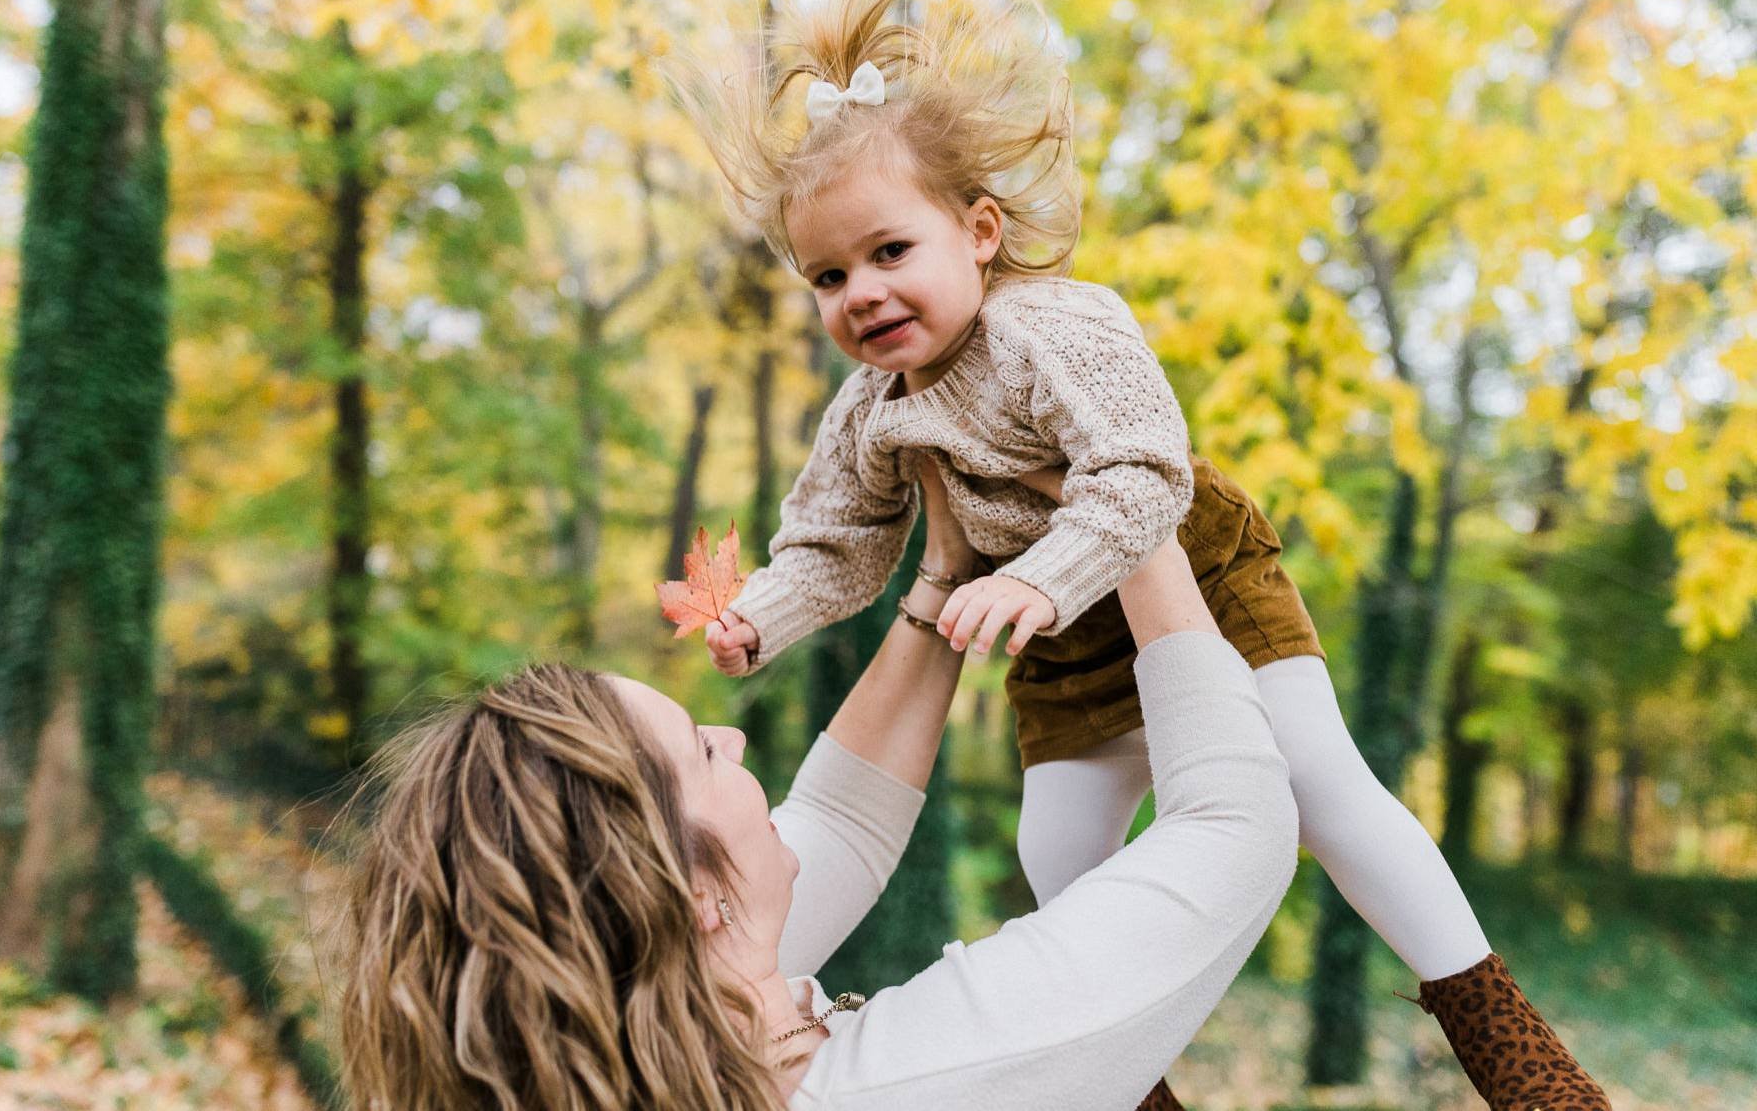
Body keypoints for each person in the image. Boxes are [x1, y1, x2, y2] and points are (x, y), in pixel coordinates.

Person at [669, 0, 1609, 1110]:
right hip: (1052, 629)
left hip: (1185, 576)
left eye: (888, 252)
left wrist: (1046, 578)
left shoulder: (1055, 328)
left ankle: (1508, 1043)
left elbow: (1140, 469)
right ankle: (1134, 1089)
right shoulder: (871, 412)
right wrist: (758, 619)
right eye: (826, 274)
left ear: (978, 230)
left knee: (1315, 779)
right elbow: (835, 543)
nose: (858, 292)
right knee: (1057, 855)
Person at [334, 464, 1296, 1108]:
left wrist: (943, 571)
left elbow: (841, 816)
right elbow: (1233, 829)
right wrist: (1134, 516)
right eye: (702, 754)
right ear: (688, 892)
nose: (735, 732)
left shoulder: (675, 1037)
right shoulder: (913, 1080)